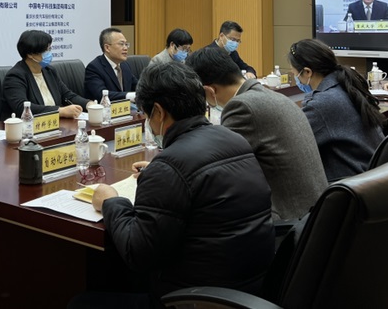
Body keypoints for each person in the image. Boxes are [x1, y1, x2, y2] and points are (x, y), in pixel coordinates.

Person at [83, 62, 274, 308]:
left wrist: (111, 201)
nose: (149, 123)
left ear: (159, 112)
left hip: (196, 298)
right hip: (250, 286)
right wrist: (161, 175)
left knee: (81, 302)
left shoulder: (170, 166)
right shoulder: (234, 139)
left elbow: (137, 254)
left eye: (147, 115)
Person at [186, 45, 327, 221]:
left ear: (209, 90)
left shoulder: (241, 106)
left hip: (288, 223)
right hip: (314, 215)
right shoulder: (271, 96)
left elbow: (217, 169)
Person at [288, 39, 385, 182]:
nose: (296, 79)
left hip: (350, 184)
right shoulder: (347, 85)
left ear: (307, 72)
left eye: (294, 73)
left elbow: (291, 145)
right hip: (372, 177)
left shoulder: (321, 104)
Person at [2, 30, 92, 118]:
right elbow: (22, 107)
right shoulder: (15, 76)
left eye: (49, 49)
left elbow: (67, 95)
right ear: (30, 54)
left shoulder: (49, 71)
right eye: (46, 50)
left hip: (54, 123)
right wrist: (59, 111)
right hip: (26, 125)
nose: (49, 53)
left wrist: (89, 104)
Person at [84, 27, 138, 101]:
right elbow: (102, 95)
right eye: (121, 44)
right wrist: (131, 96)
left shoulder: (125, 65)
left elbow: (137, 86)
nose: (125, 48)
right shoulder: (94, 68)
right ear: (107, 48)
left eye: (126, 44)